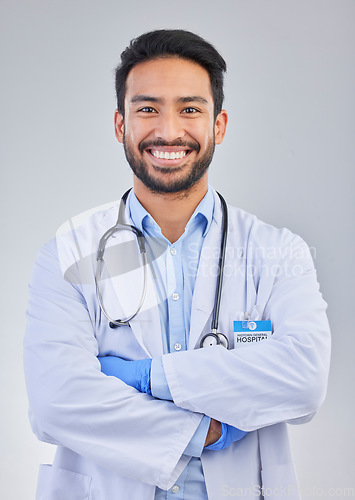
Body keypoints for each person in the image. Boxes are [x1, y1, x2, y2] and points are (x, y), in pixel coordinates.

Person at [24, 29, 331, 500]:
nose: (169, 131)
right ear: (120, 125)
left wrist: (147, 378)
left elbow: (304, 381)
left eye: (190, 109)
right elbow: (55, 402)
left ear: (219, 125)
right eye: (147, 109)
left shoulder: (279, 252)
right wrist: (202, 430)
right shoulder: (69, 253)